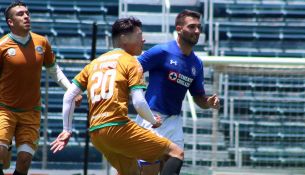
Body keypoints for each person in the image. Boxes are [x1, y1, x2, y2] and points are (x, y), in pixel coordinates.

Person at [50, 17, 184, 175]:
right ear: (124, 38)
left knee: (131, 172)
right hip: (118, 128)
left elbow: (69, 96)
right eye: (139, 35)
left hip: (96, 134)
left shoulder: (94, 63)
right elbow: (139, 102)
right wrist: (154, 121)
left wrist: (67, 129)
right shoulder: (131, 62)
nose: (143, 39)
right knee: (176, 153)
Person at [0, 1, 82, 175]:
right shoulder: (2, 46)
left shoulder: (42, 42)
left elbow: (54, 70)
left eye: (27, 13)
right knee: (0, 153)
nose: (26, 16)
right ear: (10, 22)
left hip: (31, 111)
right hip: (4, 109)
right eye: (20, 14)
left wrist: (71, 90)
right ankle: (4, 154)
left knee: (24, 161)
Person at [135, 9, 220, 175]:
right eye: (192, 27)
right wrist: (136, 90)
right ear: (179, 28)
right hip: (152, 118)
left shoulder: (197, 64)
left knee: (177, 156)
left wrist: (208, 102)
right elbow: (132, 68)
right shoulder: (161, 51)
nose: (197, 31)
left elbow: (198, 98)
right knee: (149, 171)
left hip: (174, 121)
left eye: (199, 27)